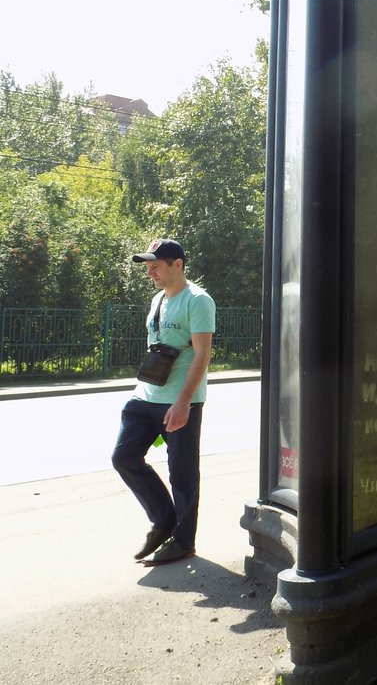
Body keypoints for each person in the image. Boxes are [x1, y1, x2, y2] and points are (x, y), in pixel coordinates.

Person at [112, 238, 216, 566]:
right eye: (147, 265)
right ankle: (164, 520)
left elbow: (202, 355)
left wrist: (184, 403)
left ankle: (183, 541)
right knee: (124, 457)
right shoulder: (157, 299)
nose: (150, 271)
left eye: (156, 264)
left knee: (182, 473)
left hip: (180, 400)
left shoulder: (197, 301)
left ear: (178, 265)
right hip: (145, 396)